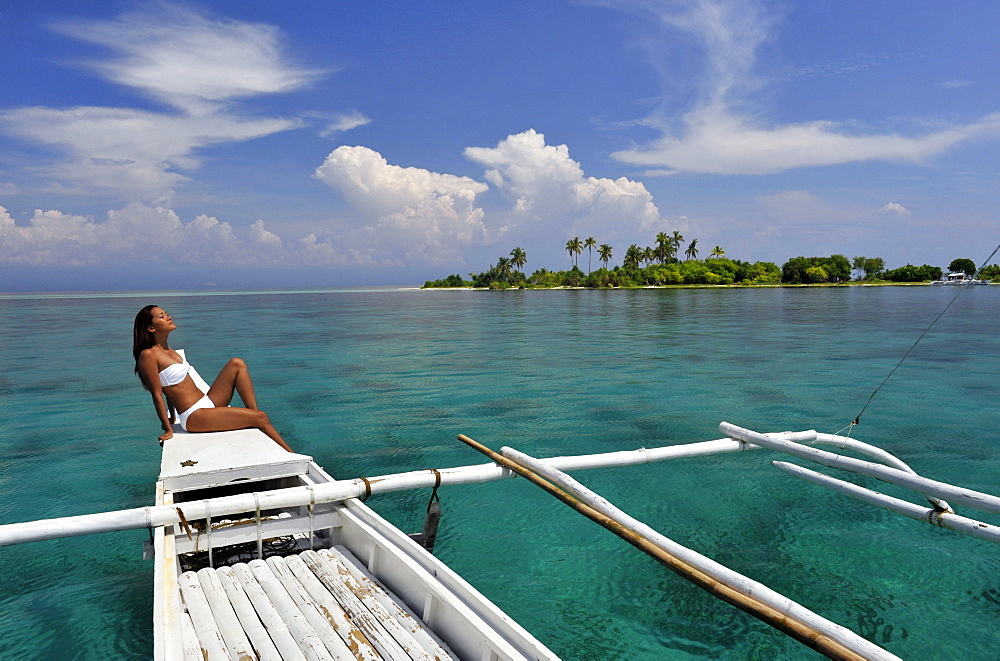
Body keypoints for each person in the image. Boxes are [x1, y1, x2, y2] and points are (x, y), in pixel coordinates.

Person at [132, 305, 292, 452]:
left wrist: (173, 416)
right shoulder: (148, 356)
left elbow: (171, 386)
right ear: (151, 328)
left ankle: (252, 415)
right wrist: (168, 428)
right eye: (161, 316)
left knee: (237, 364)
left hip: (207, 402)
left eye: (166, 314)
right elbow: (158, 393)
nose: (168, 317)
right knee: (262, 417)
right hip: (194, 415)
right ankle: (291, 454)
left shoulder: (172, 351)